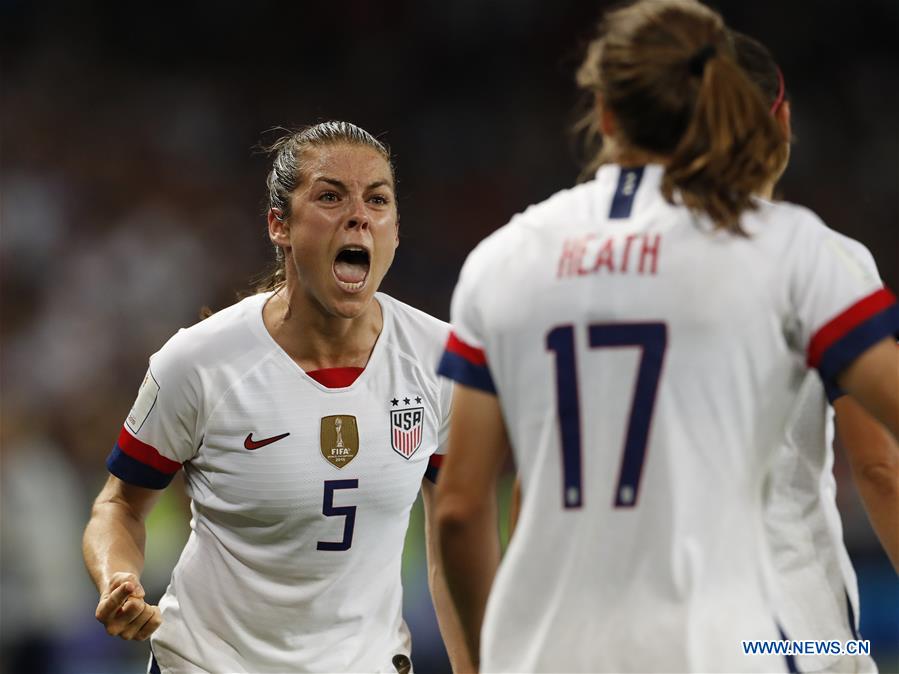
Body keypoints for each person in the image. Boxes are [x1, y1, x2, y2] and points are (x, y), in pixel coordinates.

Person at [434, 1, 899, 672]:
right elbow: (883, 457)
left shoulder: (505, 258)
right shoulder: (793, 248)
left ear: (604, 113)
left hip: (556, 651)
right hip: (755, 643)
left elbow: (459, 508)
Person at [82, 121, 471, 673]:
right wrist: (118, 577)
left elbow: (456, 545)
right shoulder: (198, 362)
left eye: (377, 199)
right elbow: (120, 505)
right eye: (330, 197)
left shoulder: (441, 361)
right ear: (279, 225)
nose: (358, 215)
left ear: (395, 231)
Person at [732, 31, 896, 674]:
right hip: (786, 634)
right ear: (783, 122)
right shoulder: (821, 259)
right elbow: (880, 467)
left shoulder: (587, 267)